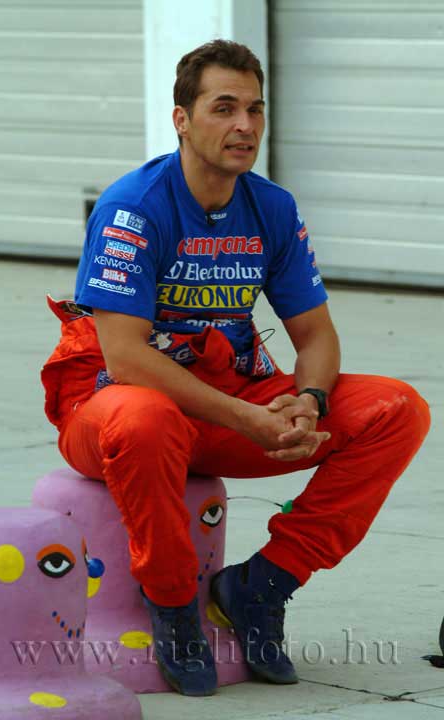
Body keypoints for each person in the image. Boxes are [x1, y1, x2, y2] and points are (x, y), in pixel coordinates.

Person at [42, 39, 431, 697]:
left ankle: (263, 585)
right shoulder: (133, 207)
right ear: (182, 119)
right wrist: (248, 418)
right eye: (224, 108)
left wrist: (308, 399)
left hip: (226, 400)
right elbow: (126, 359)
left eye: (255, 109)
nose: (245, 125)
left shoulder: (271, 207)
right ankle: (174, 604)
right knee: (144, 418)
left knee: (397, 410)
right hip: (111, 407)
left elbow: (316, 333)